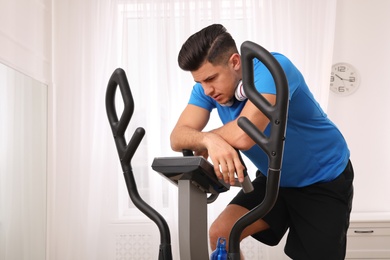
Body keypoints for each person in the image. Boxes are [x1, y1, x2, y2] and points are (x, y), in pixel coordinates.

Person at [170, 24, 354, 260]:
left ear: (235, 62)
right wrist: (208, 139)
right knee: (222, 234)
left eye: (211, 78)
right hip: (275, 178)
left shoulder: (274, 69)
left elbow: (245, 135)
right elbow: (178, 137)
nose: (206, 90)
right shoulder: (207, 90)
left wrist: (210, 139)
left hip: (323, 178)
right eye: (200, 83)